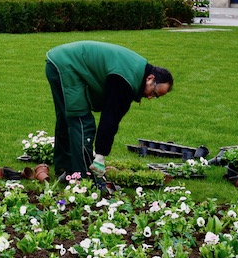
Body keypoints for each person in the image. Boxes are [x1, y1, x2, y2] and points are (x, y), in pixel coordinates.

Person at [45, 41, 173, 179]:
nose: (149, 97)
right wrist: (100, 156)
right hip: (67, 66)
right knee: (81, 121)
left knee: (66, 119)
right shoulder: (125, 80)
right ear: (150, 78)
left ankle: (66, 168)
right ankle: (81, 176)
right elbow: (110, 118)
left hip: (57, 62)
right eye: (154, 92)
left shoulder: (135, 72)